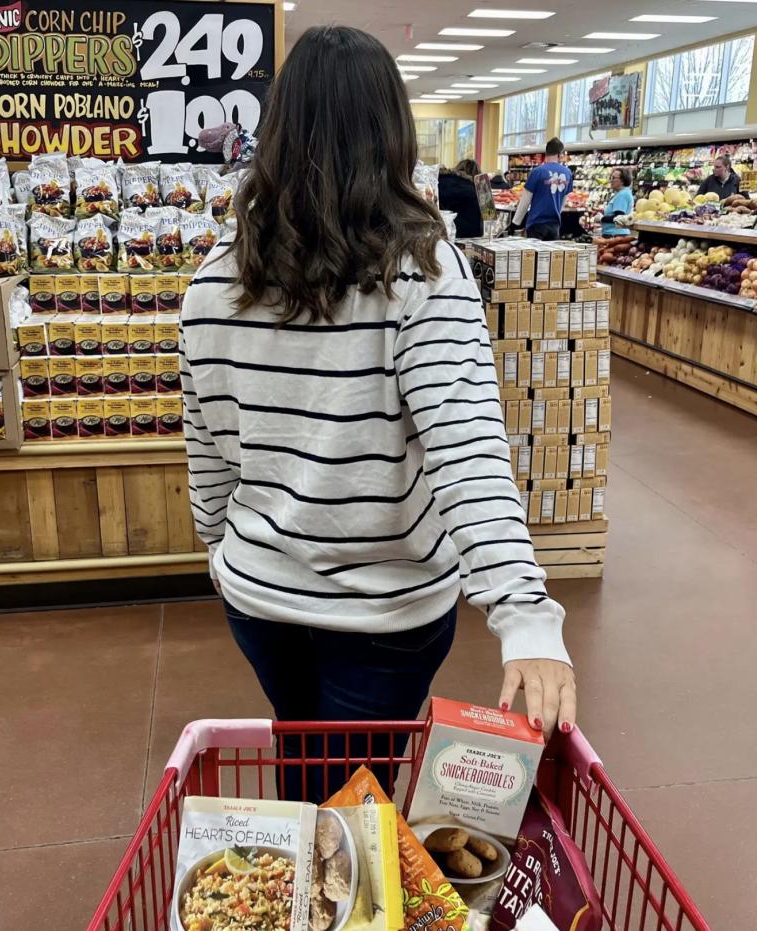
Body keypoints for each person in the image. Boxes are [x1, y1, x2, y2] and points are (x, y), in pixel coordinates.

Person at [181, 24, 575, 803]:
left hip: (260, 597)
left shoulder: (214, 281)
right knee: (350, 798)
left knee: (306, 759)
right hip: (384, 612)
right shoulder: (423, 273)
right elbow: (465, 445)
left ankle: (301, 889)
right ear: (393, 132)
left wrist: (229, 546)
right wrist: (525, 615)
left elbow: (210, 453)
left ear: (278, 131)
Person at [511, 137, 572, 241]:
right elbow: (563, 201)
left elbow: (525, 200)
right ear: (559, 154)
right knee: (551, 256)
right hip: (555, 225)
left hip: (536, 223)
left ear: (546, 152)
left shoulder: (537, 172)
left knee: (535, 256)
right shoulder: (567, 173)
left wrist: (515, 223)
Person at [438, 158, 484, 239]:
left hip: (438, 234)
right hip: (464, 238)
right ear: (476, 174)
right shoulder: (474, 191)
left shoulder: (440, 181)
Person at [601, 166, 635, 237]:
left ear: (622, 181)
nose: (611, 180)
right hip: (616, 233)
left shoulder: (622, 195)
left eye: (613, 178)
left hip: (616, 234)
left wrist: (601, 218)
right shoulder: (623, 193)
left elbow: (618, 217)